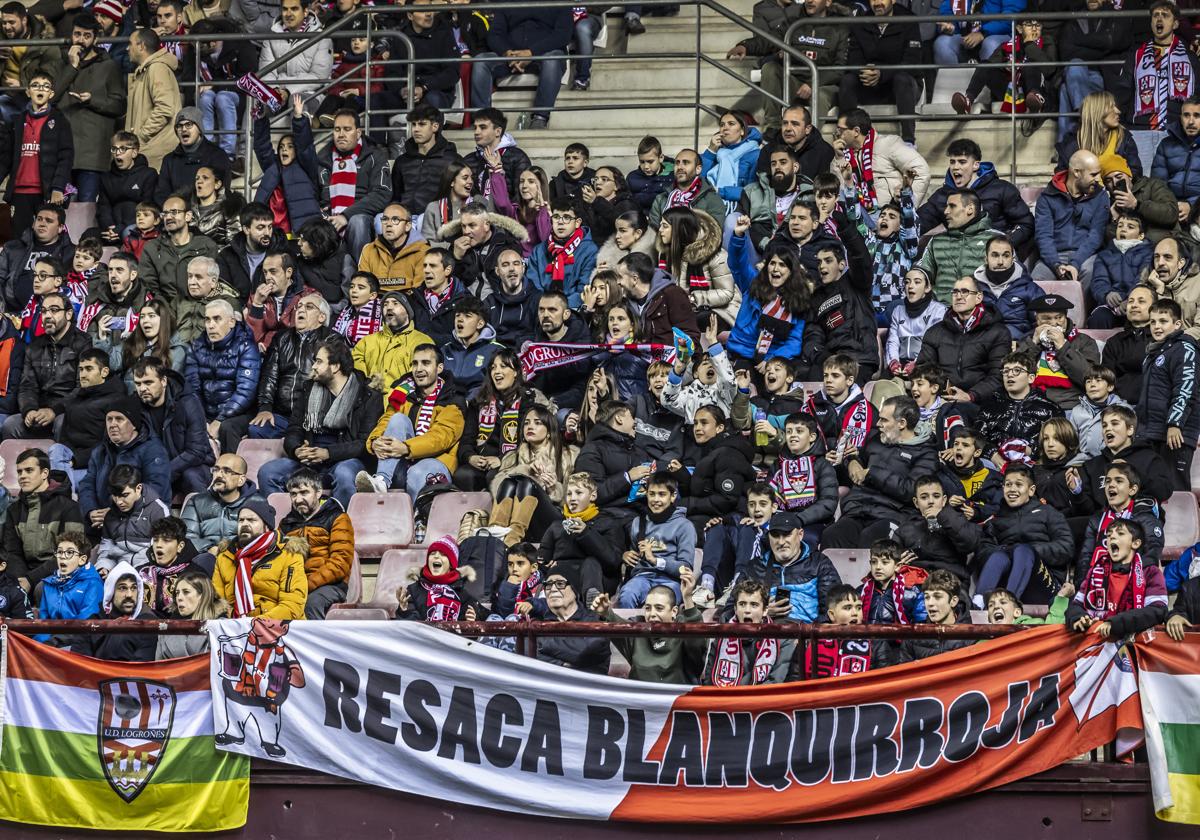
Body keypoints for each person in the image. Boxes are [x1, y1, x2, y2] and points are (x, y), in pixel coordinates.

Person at [257, 339, 382, 509]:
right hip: (309, 461)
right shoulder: (308, 390)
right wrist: (297, 449)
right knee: (268, 472)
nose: (313, 366)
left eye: (319, 361)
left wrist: (328, 453)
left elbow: (364, 443)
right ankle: (285, 525)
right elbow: (294, 428)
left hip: (345, 460)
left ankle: (338, 525)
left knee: (345, 475)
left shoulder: (368, 396)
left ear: (336, 366)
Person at [220, 289, 336, 452]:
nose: (301, 310)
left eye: (309, 307)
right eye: (299, 306)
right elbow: (269, 376)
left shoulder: (332, 340)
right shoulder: (282, 338)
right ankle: (234, 473)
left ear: (322, 317)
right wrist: (265, 408)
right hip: (280, 414)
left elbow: (332, 383)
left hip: (311, 418)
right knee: (238, 427)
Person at [822, 395, 940, 548]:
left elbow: (912, 490)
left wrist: (872, 473)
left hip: (893, 515)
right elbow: (859, 462)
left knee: (871, 540)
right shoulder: (877, 439)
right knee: (832, 535)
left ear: (902, 423)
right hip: (858, 508)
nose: (878, 424)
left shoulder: (927, 454)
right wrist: (851, 461)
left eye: (884, 420)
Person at [359, 343, 465, 499]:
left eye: (426, 363)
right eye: (415, 363)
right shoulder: (403, 393)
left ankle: (419, 520)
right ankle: (381, 481)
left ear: (440, 368)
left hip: (436, 465)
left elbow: (441, 437)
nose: (419, 369)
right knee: (397, 419)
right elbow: (386, 420)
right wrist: (375, 442)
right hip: (400, 465)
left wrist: (406, 448)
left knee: (417, 472)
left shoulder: (453, 398)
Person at [976, 463, 1074, 606]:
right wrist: (1009, 552)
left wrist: (1033, 550)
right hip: (1006, 583)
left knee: (1023, 551)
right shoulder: (995, 519)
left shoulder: (1048, 512)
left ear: (1031, 490)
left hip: (1045, 585)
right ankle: (978, 605)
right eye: (1008, 485)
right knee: (998, 556)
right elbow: (983, 553)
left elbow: (1066, 547)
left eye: (1019, 484)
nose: (1012, 489)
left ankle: (1009, 605)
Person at [3, 292, 92, 441]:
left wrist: (54, 411)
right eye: (43, 311)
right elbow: (27, 387)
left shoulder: (83, 343)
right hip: (39, 411)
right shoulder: (34, 346)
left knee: (61, 423)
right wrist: (29, 410)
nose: (47, 316)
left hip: (68, 411)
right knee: (10, 425)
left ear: (69, 314)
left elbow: (83, 387)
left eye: (54, 310)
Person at [469, 3, 572, 129]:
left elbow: (563, 35)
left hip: (544, 54)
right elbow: (495, 34)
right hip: (511, 56)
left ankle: (540, 118)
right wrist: (506, 52)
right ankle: (482, 120)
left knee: (552, 59)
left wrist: (531, 53)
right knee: (481, 61)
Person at [594, 567, 704, 683]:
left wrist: (687, 598)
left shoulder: (683, 630)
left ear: (674, 611)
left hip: (675, 699)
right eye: (648, 608)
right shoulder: (638, 631)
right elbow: (616, 624)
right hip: (641, 699)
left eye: (659, 608)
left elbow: (696, 642)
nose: (652, 614)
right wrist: (605, 612)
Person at [918, 140, 1034, 249]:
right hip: (958, 259)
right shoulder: (942, 195)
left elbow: (1026, 224)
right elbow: (917, 225)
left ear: (976, 165)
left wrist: (1003, 245)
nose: (955, 167)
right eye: (952, 162)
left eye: (962, 162)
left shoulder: (1002, 189)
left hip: (996, 260)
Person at [838, 0, 923, 147]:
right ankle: (848, 140)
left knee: (901, 79)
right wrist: (864, 71)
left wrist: (882, 74)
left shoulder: (908, 19)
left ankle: (909, 141)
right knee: (847, 80)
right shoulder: (861, 22)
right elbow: (853, 58)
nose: (877, 3)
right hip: (869, 84)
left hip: (901, 87)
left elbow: (912, 63)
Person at [916, 275, 1010, 404]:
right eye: (955, 292)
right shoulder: (935, 332)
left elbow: (998, 376)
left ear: (978, 297)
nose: (959, 296)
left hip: (981, 402)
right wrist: (946, 390)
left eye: (965, 292)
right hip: (942, 399)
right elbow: (923, 370)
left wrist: (970, 396)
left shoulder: (998, 332)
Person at [1136, 298, 1199, 488]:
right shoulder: (1154, 353)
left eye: (1163, 321)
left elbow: (1186, 389)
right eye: (1153, 321)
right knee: (1153, 489)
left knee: (1175, 489)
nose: (1156, 326)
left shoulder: (1184, 348)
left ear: (1177, 324)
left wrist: (1174, 423)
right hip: (1153, 432)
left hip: (1175, 434)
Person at [78, 398, 171, 527]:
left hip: (140, 523)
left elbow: (155, 490)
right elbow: (87, 484)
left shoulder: (153, 450)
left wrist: (114, 513)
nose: (112, 424)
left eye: (119, 419)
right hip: (101, 522)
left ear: (133, 424)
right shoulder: (100, 451)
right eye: (109, 419)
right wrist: (91, 511)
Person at [0, 449, 84, 592]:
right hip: (23, 574)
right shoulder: (14, 510)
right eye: (20, 472)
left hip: (59, 572)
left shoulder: (69, 508)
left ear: (45, 473)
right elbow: (12, 552)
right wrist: (20, 579)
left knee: (42, 589)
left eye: (29, 470)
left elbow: (70, 554)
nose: (22, 476)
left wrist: (30, 580)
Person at [1068, 519, 1168, 637]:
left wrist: (1116, 623)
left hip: (1132, 644)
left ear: (1135, 543)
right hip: (1095, 640)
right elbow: (1076, 605)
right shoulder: (1095, 571)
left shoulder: (1150, 572)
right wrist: (1078, 617)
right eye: (1109, 535)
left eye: (1120, 533)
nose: (1112, 538)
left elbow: (1157, 610)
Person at [0, 73, 73, 234]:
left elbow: (65, 157)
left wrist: (57, 188)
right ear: (27, 92)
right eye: (35, 85)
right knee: (19, 239)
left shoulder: (60, 121)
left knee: (46, 240)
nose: (40, 89)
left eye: (46, 86)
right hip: (19, 192)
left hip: (45, 192)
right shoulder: (16, 121)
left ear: (51, 94)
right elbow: (6, 157)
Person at [213, 499, 308, 620]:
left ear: (267, 527)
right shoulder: (225, 557)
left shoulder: (289, 554)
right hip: (235, 628)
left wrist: (256, 625)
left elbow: (293, 605)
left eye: (252, 520)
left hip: (279, 629)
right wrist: (235, 624)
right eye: (241, 520)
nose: (245, 524)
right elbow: (217, 602)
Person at [317, 109, 392, 261]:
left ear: (358, 133)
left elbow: (381, 194)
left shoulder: (375, 157)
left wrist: (346, 216)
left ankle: (362, 275)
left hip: (361, 218)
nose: (341, 134)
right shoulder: (323, 158)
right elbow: (312, 192)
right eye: (337, 129)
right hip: (330, 217)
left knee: (357, 222)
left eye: (347, 129)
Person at [277, 468, 353, 619]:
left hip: (329, 586)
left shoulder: (337, 517)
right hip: (294, 584)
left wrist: (306, 584)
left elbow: (340, 563)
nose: (298, 500)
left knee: (310, 603)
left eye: (304, 492)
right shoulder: (285, 524)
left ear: (318, 493)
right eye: (293, 494)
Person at [185, 299, 262, 446]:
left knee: (228, 427)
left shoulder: (246, 347)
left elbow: (245, 392)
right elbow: (192, 389)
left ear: (232, 322)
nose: (211, 325)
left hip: (238, 413)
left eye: (217, 319)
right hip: (206, 413)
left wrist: (219, 420)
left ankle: (231, 467)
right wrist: (201, 419)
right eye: (207, 320)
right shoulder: (196, 347)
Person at [131, 357, 213, 496]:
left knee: (190, 476)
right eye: (138, 384)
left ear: (163, 381)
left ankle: (203, 514)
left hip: (194, 465)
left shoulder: (188, 403)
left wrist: (164, 471)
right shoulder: (134, 406)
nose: (142, 388)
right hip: (158, 469)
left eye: (148, 382)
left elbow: (196, 451)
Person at [744, 510, 841, 623]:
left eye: (787, 534)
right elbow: (731, 610)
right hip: (765, 633)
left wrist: (808, 633)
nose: (781, 542)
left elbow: (835, 609)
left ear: (800, 535)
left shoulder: (819, 563)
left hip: (806, 633)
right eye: (775, 535)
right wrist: (761, 613)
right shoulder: (755, 567)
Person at [1077, 404, 1174, 511]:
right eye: (1104, 425)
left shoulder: (1150, 459)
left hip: (1138, 521)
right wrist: (1076, 492)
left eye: (1114, 424)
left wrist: (1132, 473)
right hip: (1102, 523)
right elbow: (1087, 510)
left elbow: (1164, 492)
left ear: (1130, 430)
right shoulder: (1092, 466)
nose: (1108, 429)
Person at [1032, 151, 1110, 286]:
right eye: (1093, 174)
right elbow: (1043, 236)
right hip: (1055, 255)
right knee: (1038, 277)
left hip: (1086, 255)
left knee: (1091, 272)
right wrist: (1056, 265)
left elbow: (1095, 236)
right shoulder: (1048, 197)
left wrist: (1075, 264)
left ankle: (1082, 308)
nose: (1098, 179)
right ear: (1077, 172)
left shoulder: (1100, 196)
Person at [1014, 294, 1103, 410]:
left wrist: (1062, 346)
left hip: (1072, 406)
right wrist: (1033, 343)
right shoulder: (1028, 340)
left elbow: (1089, 378)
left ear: (1066, 318)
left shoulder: (1084, 341)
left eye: (1059, 317)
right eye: (1046, 318)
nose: (1053, 323)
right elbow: (1013, 374)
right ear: (1037, 320)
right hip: (1032, 405)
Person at [1076, 463, 1165, 576]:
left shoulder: (1146, 519)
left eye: (1118, 481)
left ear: (1132, 490)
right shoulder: (1096, 520)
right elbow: (1085, 557)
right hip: (1097, 583)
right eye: (1108, 481)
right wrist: (1083, 586)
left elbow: (1151, 556)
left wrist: (1117, 576)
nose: (1111, 485)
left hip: (1132, 583)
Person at [252, 94, 322, 235]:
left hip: (299, 233)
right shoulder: (273, 167)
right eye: (282, 146)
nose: (284, 149)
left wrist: (298, 118)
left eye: (290, 146)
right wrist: (260, 120)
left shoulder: (305, 166)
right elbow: (262, 147)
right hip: (272, 233)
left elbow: (305, 146)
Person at [701, 579, 793, 686]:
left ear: (765, 610)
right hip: (723, 700)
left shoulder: (782, 641)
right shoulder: (721, 638)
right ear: (735, 609)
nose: (747, 610)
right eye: (742, 604)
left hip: (761, 700)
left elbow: (775, 682)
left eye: (754, 605)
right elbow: (709, 681)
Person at [977, 352, 1064, 461]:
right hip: (992, 465)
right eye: (1006, 371)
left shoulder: (1051, 410)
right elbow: (976, 438)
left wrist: (1031, 451)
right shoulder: (989, 406)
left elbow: (1058, 447)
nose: (1010, 374)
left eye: (1017, 370)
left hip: (1034, 466)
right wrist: (992, 454)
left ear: (1031, 378)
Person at [895, 474, 982, 582]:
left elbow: (970, 543)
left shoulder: (958, 519)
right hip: (915, 583)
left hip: (950, 582)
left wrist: (943, 516)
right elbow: (890, 560)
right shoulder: (905, 529)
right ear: (916, 503)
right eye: (924, 497)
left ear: (944, 500)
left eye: (936, 496)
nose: (931, 501)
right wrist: (896, 565)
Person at [138, 195, 221, 306]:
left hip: (199, 310)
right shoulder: (152, 248)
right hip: (165, 311)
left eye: (174, 212)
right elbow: (149, 287)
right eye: (165, 214)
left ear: (188, 216)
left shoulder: (206, 245)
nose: (168, 217)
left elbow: (214, 284)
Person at [182, 453, 267, 556]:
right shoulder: (196, 502)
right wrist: (209, 548)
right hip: (206, 558)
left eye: (227, 471)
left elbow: (262, 540)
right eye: (216, 470)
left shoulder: (257, 502)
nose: (218, 475)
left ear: (241, 480)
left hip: (242, 558)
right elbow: (186, 537)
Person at [75, 560, 160, 661]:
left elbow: (140, 668)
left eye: (133, 588)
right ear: (111, 592)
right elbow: (79, 661)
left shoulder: (147, 623)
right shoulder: (96, 620)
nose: (129, 595)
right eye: (122, 588)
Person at [93, 464, 170, 574]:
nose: (119, 501)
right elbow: (107, 551)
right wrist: (104, 567)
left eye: (125, 495)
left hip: (148, 570)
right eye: (115, 495)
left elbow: (162, 552)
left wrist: (137, 572)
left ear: (138, 488)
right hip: (118, 571)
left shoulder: (158, 511)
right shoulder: (111, 514)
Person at [0, 205, 75, 315]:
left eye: (49, 221)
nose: (42, 223)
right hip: (11, 312)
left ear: (60, 228)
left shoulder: (71, 253)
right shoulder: (12, 248)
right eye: (39, 219)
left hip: (49, 314)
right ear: (33, 223)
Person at [125, 29, 181, 172]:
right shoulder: (147, 70)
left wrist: (141, 137)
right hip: (150, 152)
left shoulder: (157, 68)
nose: (127, 48)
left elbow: (164, 109)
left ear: (141, 46)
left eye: (130, 44)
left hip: (155, 153)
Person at [259, 0, 333, 109]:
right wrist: (275, 91)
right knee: (256, 104)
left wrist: (287, 91)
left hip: (311, 93)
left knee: (296, 100)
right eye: (285, 9)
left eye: (294, 9)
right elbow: (265, 72)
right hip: (277, 92)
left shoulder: (322, 37)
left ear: (305, 12)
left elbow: (319, 76)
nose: (288, 14)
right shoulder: (271, 36)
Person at [615, 252, 701, 345]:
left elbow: (691, 336)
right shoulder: (626, 303)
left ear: (635, 279)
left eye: (620, 277)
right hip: (640, 357)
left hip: (671, 357)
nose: (618, 282)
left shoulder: (673, 294)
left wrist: (682, 345)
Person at [526, 199, 599, 309]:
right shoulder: (539, 250)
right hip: (541, 308)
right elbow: (532, 286)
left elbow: (584, 290)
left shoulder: (589, 250)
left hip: (573, 309)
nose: (560, 222)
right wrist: (547, 306)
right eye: (556, 217)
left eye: (566, 217)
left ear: (577, 223)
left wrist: (558, 308)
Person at [352, 290, 433, 388]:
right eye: (385, 304)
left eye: (395, 303)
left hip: (404, 401)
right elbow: (355, 374)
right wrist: (368, 389)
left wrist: (396, 396)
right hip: (368, 400)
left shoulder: (422, 342)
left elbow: (422, 378)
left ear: (408, 311)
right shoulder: (366, 342)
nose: (389, 307)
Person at [391, 106, 459, 220]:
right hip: (403, 217)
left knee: (423, 220)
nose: (416, 129)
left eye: (422, 124)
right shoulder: (402, 161)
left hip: (435, 217)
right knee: (379, 220)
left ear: (435, 126)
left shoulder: (452, 159)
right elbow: (395, 195)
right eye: (413, 124)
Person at [537, 567, 610, 674]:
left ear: (575, 591)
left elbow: (583, 652)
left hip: (587, 686)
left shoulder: (593, 620)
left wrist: (542, 646)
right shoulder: (539, 621)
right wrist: (562, 665)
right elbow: (525, 652)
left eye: (560, 584)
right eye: (548, 585)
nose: (552, 589)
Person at [1089, 213, 1155, 329]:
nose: (1123, 229)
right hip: (1111, 305)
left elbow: (1142, 278)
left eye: (1130, 227)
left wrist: (1130, 300)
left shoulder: (1149, 253)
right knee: (1099, 317)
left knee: (1138, 317)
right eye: (1120, 226)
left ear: (1141, 235)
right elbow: (1099, 281)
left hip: (1136, 301)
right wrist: (1107, 294)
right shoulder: (1104, 255)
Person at [155, 107, 231, 205]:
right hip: (178, 215)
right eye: (179, 126)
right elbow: (161, 194)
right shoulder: (169, 160)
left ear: (199, 129)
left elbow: (222, 191)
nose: (183, 129)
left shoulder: (217, 155)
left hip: (207, 215)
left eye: (188, 125)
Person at [894, 569, 975, 662]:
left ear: (953, 601)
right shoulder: (913, 636)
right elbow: (904, 672)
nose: (930, 603)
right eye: (927, 597)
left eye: (937, 597)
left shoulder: (972, 634)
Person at [395, 535, 480, 621]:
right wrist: (404, 610)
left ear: (451, 564)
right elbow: (410, 628)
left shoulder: (463, 592)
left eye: (443, 555)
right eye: (432, 553)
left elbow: (473, 626)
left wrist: (470, 622)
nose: (436, 556)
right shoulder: (413, 590)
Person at [98, 133, 158, 246]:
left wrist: (121, 228)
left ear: (134, 152)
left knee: (129, 233)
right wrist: (109, 227)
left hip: (136, 225)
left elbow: (147, 207)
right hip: (112, 227)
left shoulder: (148, 174)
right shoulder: (106, 177)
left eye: (123, 149)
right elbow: (103, 206)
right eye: (114, 149)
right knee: (89, 235)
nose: (117, 153)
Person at [463, 108, 533, 203]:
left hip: (507, 216)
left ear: (498, 132)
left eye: (483, 127)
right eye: (475, 127)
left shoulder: (517, 157)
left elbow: (522, 197)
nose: (476, 132)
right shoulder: (469, 160)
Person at [358, 204, 429, 295]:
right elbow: (363, 287)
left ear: (407, 226)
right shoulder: (369, 249)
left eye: (395, 220)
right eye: (385, 219)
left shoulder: (423, 251)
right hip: (374, 305)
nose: (388, 224)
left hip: (408, 305)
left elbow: (419, 292)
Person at [648, 148, 729, 228]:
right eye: (677, 163)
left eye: (686, 163)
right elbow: (653, 231)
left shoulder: (712, 199)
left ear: (698, 169)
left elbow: (714, 233)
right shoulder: (661, 199)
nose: (680, 167)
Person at [1103, 284, 1156, 403]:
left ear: (1154, 308)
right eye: (1130, 301)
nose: (1134, 305)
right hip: (1120, 408)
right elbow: (1106, 380)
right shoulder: (1114, 342)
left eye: (1141, 301)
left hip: (1154, 407)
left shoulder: (1162, 340)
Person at [155, 573, 228, 659]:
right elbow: (159, 668)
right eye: (177, 593)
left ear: (203, 595)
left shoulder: (222, 628)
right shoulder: (165, 631)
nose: (179, 598)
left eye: (186, 592)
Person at [1142, 234, 1200, 338]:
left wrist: (1172, 341)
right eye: (1156, 257)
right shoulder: (1147, 286)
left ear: (1181, 263)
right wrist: (1160, 291)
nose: (1160, 263)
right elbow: (1145, 327)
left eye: (1167, 257)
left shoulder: (1198, 283)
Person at [1153, 96, 1200, 221]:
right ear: (1180, 118)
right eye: (1186, 115)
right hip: (1170, 207)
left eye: (1197, 116)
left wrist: (1192, 205)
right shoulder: (1166, 144)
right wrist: (1172, 206)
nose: (1191, 121)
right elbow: (1158, 183)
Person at [1069, 366, 1132, 459]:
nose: (1092, 385)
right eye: (1088, 381)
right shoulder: (1077, 411)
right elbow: (1071, 441)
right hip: (1083, 459)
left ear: (1110, 387)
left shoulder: (1123, 409)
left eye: (1098, 380)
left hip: (1113, 457)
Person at [485, 248, 538, 347]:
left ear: (523, 268)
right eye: (505, 265)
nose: (511, 269)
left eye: (516, 263)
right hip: (498, 357)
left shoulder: (538, 299)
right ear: (497, 271)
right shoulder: (489, 302)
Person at [629, 136, 676, 211]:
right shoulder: (632, 178)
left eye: (650, 162)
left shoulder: (673, 175)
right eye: (642, 162)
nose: (646, 166)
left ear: (661, 158)